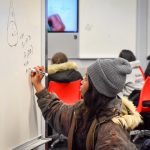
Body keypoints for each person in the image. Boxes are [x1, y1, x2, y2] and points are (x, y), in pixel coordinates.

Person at [31, 58, 142, 150]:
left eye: (86, 78)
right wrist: (38, 85)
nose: (81, 81)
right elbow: (57, 112)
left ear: (96, 88)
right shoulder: (85, 108)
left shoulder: (112, 133)